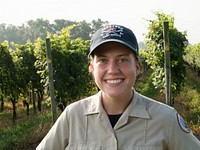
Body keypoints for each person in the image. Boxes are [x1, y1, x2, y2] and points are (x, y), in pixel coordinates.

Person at [37, 24, 200, 150]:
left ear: (137, 66)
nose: (113, 70)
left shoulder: (166, 119)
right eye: (102, 60)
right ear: (91, 67)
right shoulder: (73, 117)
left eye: (122, 59)